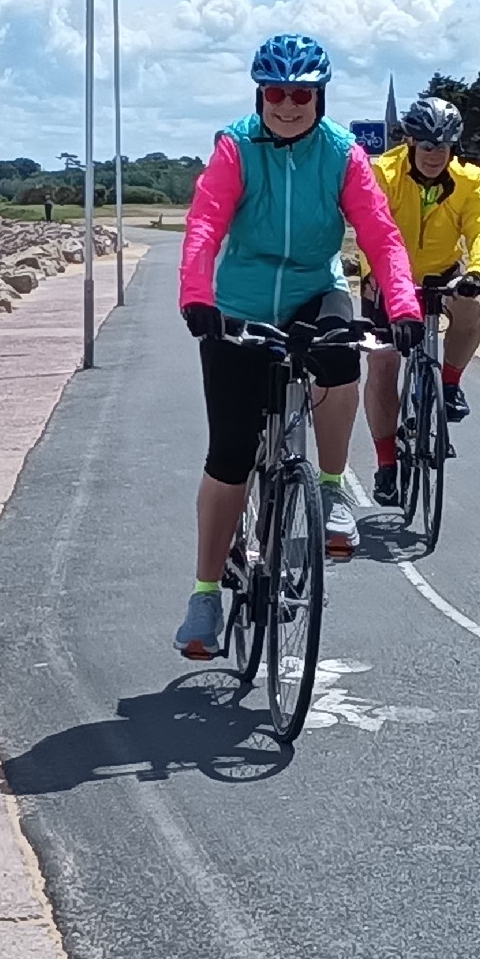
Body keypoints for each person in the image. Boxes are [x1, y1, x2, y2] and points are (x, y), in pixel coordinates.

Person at [172, 32, 421, 661]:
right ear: (261, 94)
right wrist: (197, 294)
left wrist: (403, 305)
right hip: (242, 302)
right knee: (230, 451)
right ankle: (204, 595)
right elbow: (206, 223)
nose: (288, 105)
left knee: (341, 358)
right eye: (277, 93)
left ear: (319, 96)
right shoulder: (236, 146)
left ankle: (332, 490)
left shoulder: (341, 154)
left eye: (302, 94)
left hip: (315, 288)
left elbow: (380, 234)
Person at [364, 93, 480, 511]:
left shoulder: (469, 178)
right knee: (384, 365)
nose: (434, 155)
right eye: (426, 146)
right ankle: (386, 465)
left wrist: (478, 270)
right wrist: (377, 276)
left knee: (470, 307)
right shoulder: (382, 173)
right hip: (389, 275)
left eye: (442, 146)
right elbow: (372, 226)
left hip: (442, 271)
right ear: (409, 141)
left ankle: (449, 384)